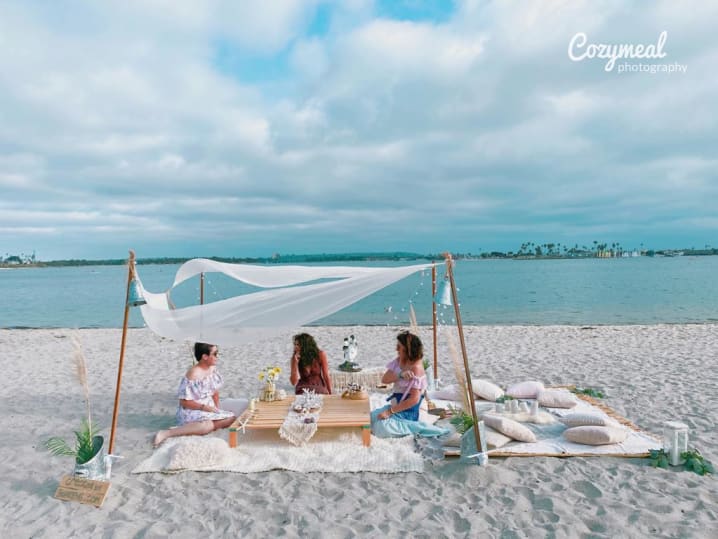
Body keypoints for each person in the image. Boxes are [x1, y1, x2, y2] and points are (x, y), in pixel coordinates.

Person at [153, 342, 237, 448]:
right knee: (206, 425)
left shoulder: (212, 369)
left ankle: (203, 427)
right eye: (215, 354)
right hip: (193, 410)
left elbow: (215, 392)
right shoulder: (193, 374)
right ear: (205, 356)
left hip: (208, 409)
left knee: (231, 419)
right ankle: (167, 433)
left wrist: (216, 409)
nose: (217, 357)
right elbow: (184, 402)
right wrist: (205, 407)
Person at [371, 331, 449, 438]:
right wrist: (400, 375)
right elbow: (385, 379)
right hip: (395, 406)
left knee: (381, 427)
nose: (396, 349)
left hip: (407, 412)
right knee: (371, 418)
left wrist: (389, 412)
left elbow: (414, 400)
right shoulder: (400, 360)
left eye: (399, 347)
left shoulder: (416, 368)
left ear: (408, 349)